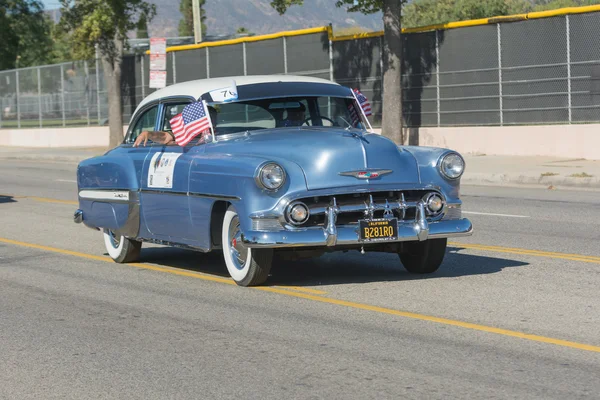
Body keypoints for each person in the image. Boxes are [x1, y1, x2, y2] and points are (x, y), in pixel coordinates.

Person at [133, 105, 218, 147]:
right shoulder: (190, 131)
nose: (212, 120)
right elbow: (165, 137)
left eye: (213, 116)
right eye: (208, 116)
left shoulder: (223, 133)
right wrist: (147, 134)